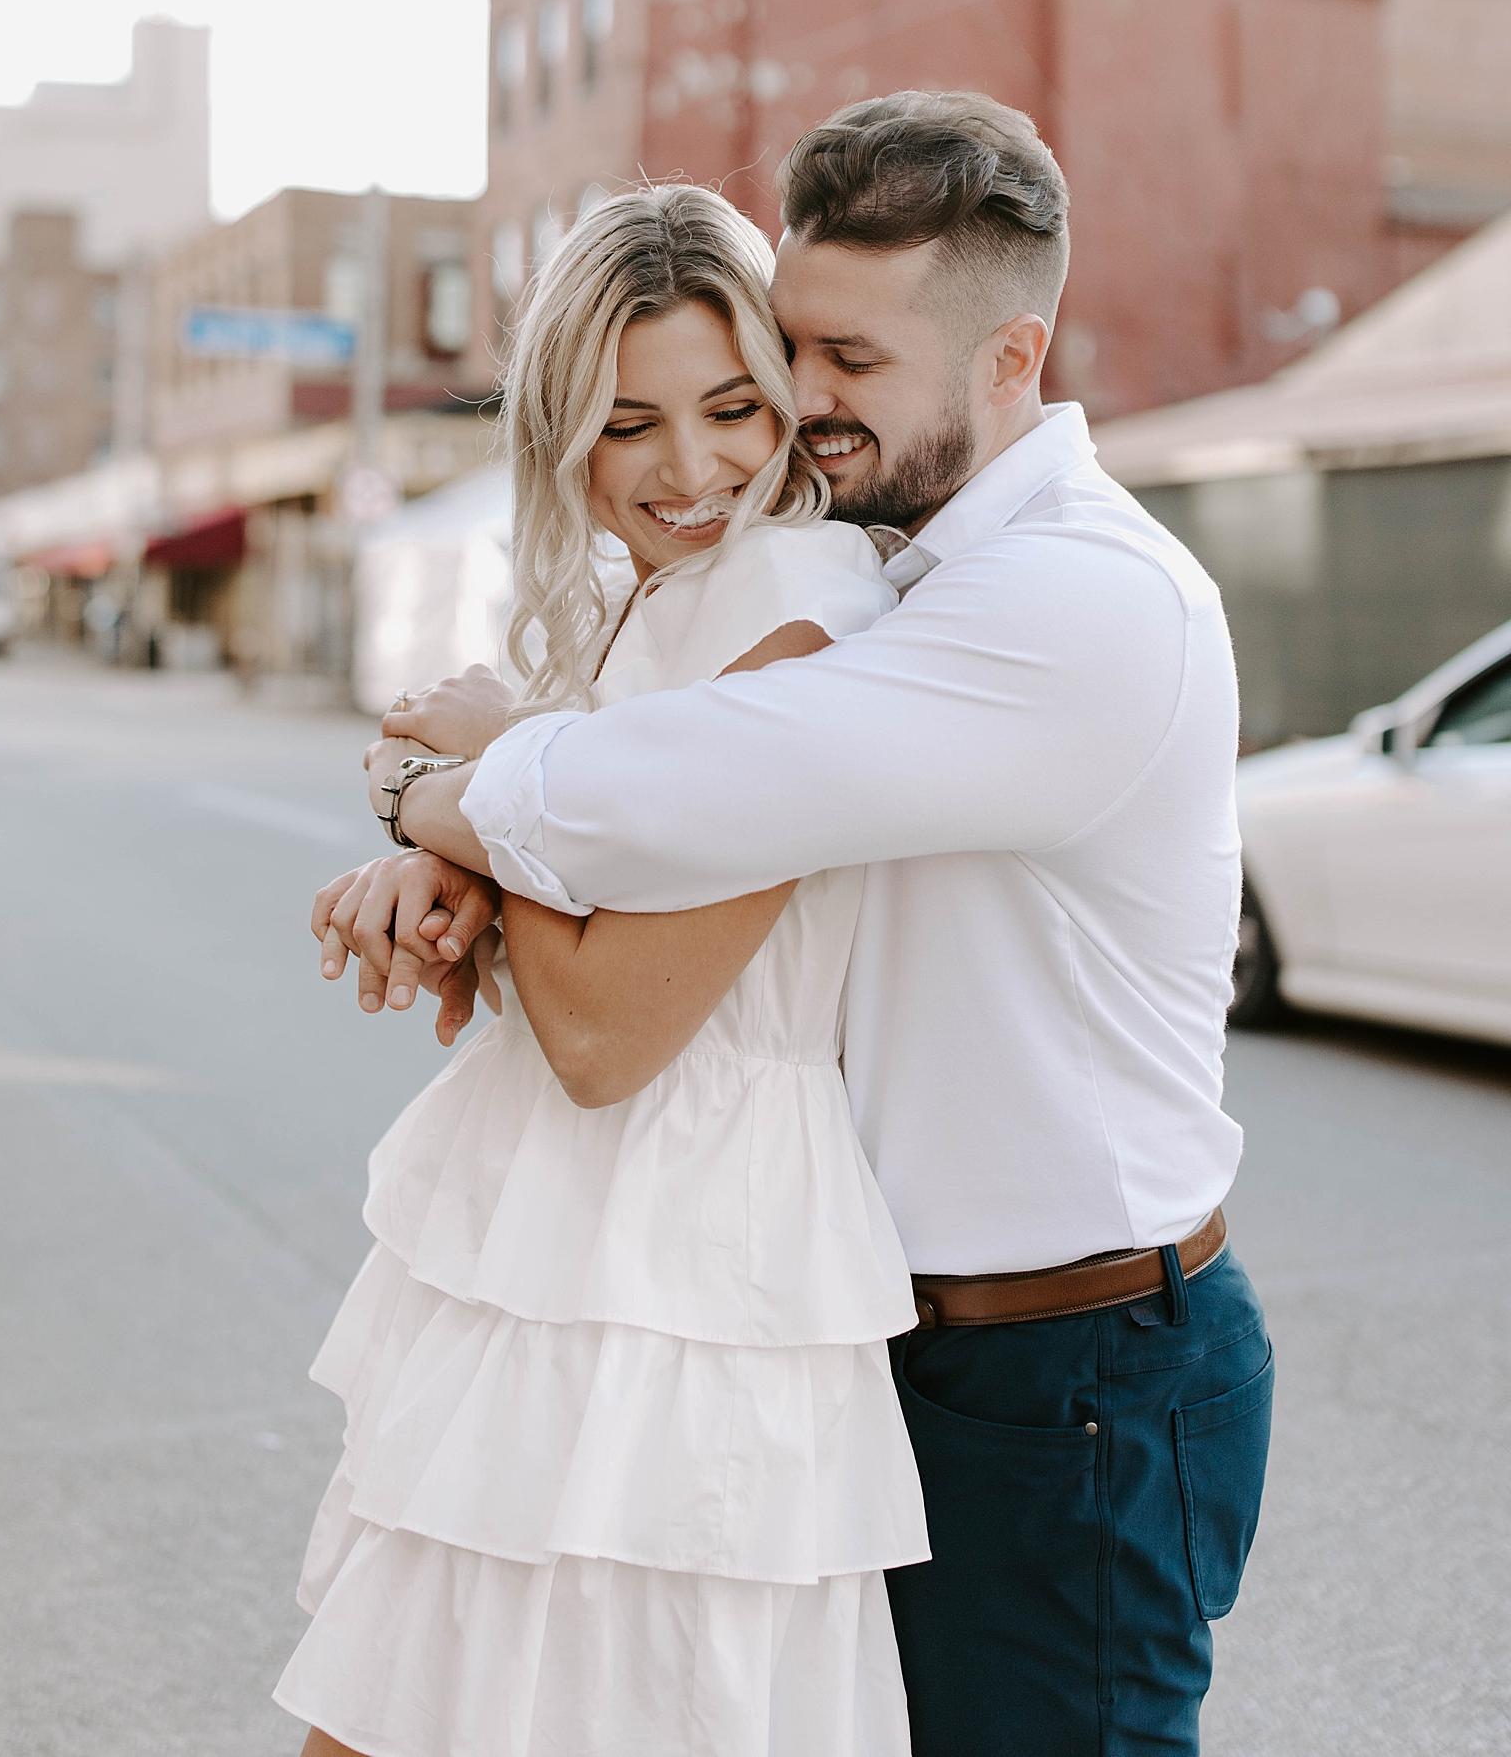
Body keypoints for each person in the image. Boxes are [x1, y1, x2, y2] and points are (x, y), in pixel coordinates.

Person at [357, 91, 1274, 1757]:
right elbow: (649, 803)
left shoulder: (1068, 604)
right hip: (899, 1334)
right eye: (800, 345)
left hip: (1071, 1367)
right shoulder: (892, 563)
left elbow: (667, 803)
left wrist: (435, 788)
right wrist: (467, 840)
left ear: (1014, 356)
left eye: (847, 363)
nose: (803, 407)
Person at [277, 184, 930, 1757]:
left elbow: (604, 1028)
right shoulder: (659, 602)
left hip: (679, 1258)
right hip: (576, 1241)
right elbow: (571, 894)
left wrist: (429, 799)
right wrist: (453, 865)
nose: (692, 469)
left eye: (729, 407)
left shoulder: (796, 610)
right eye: (629, 423)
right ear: (563, 429)